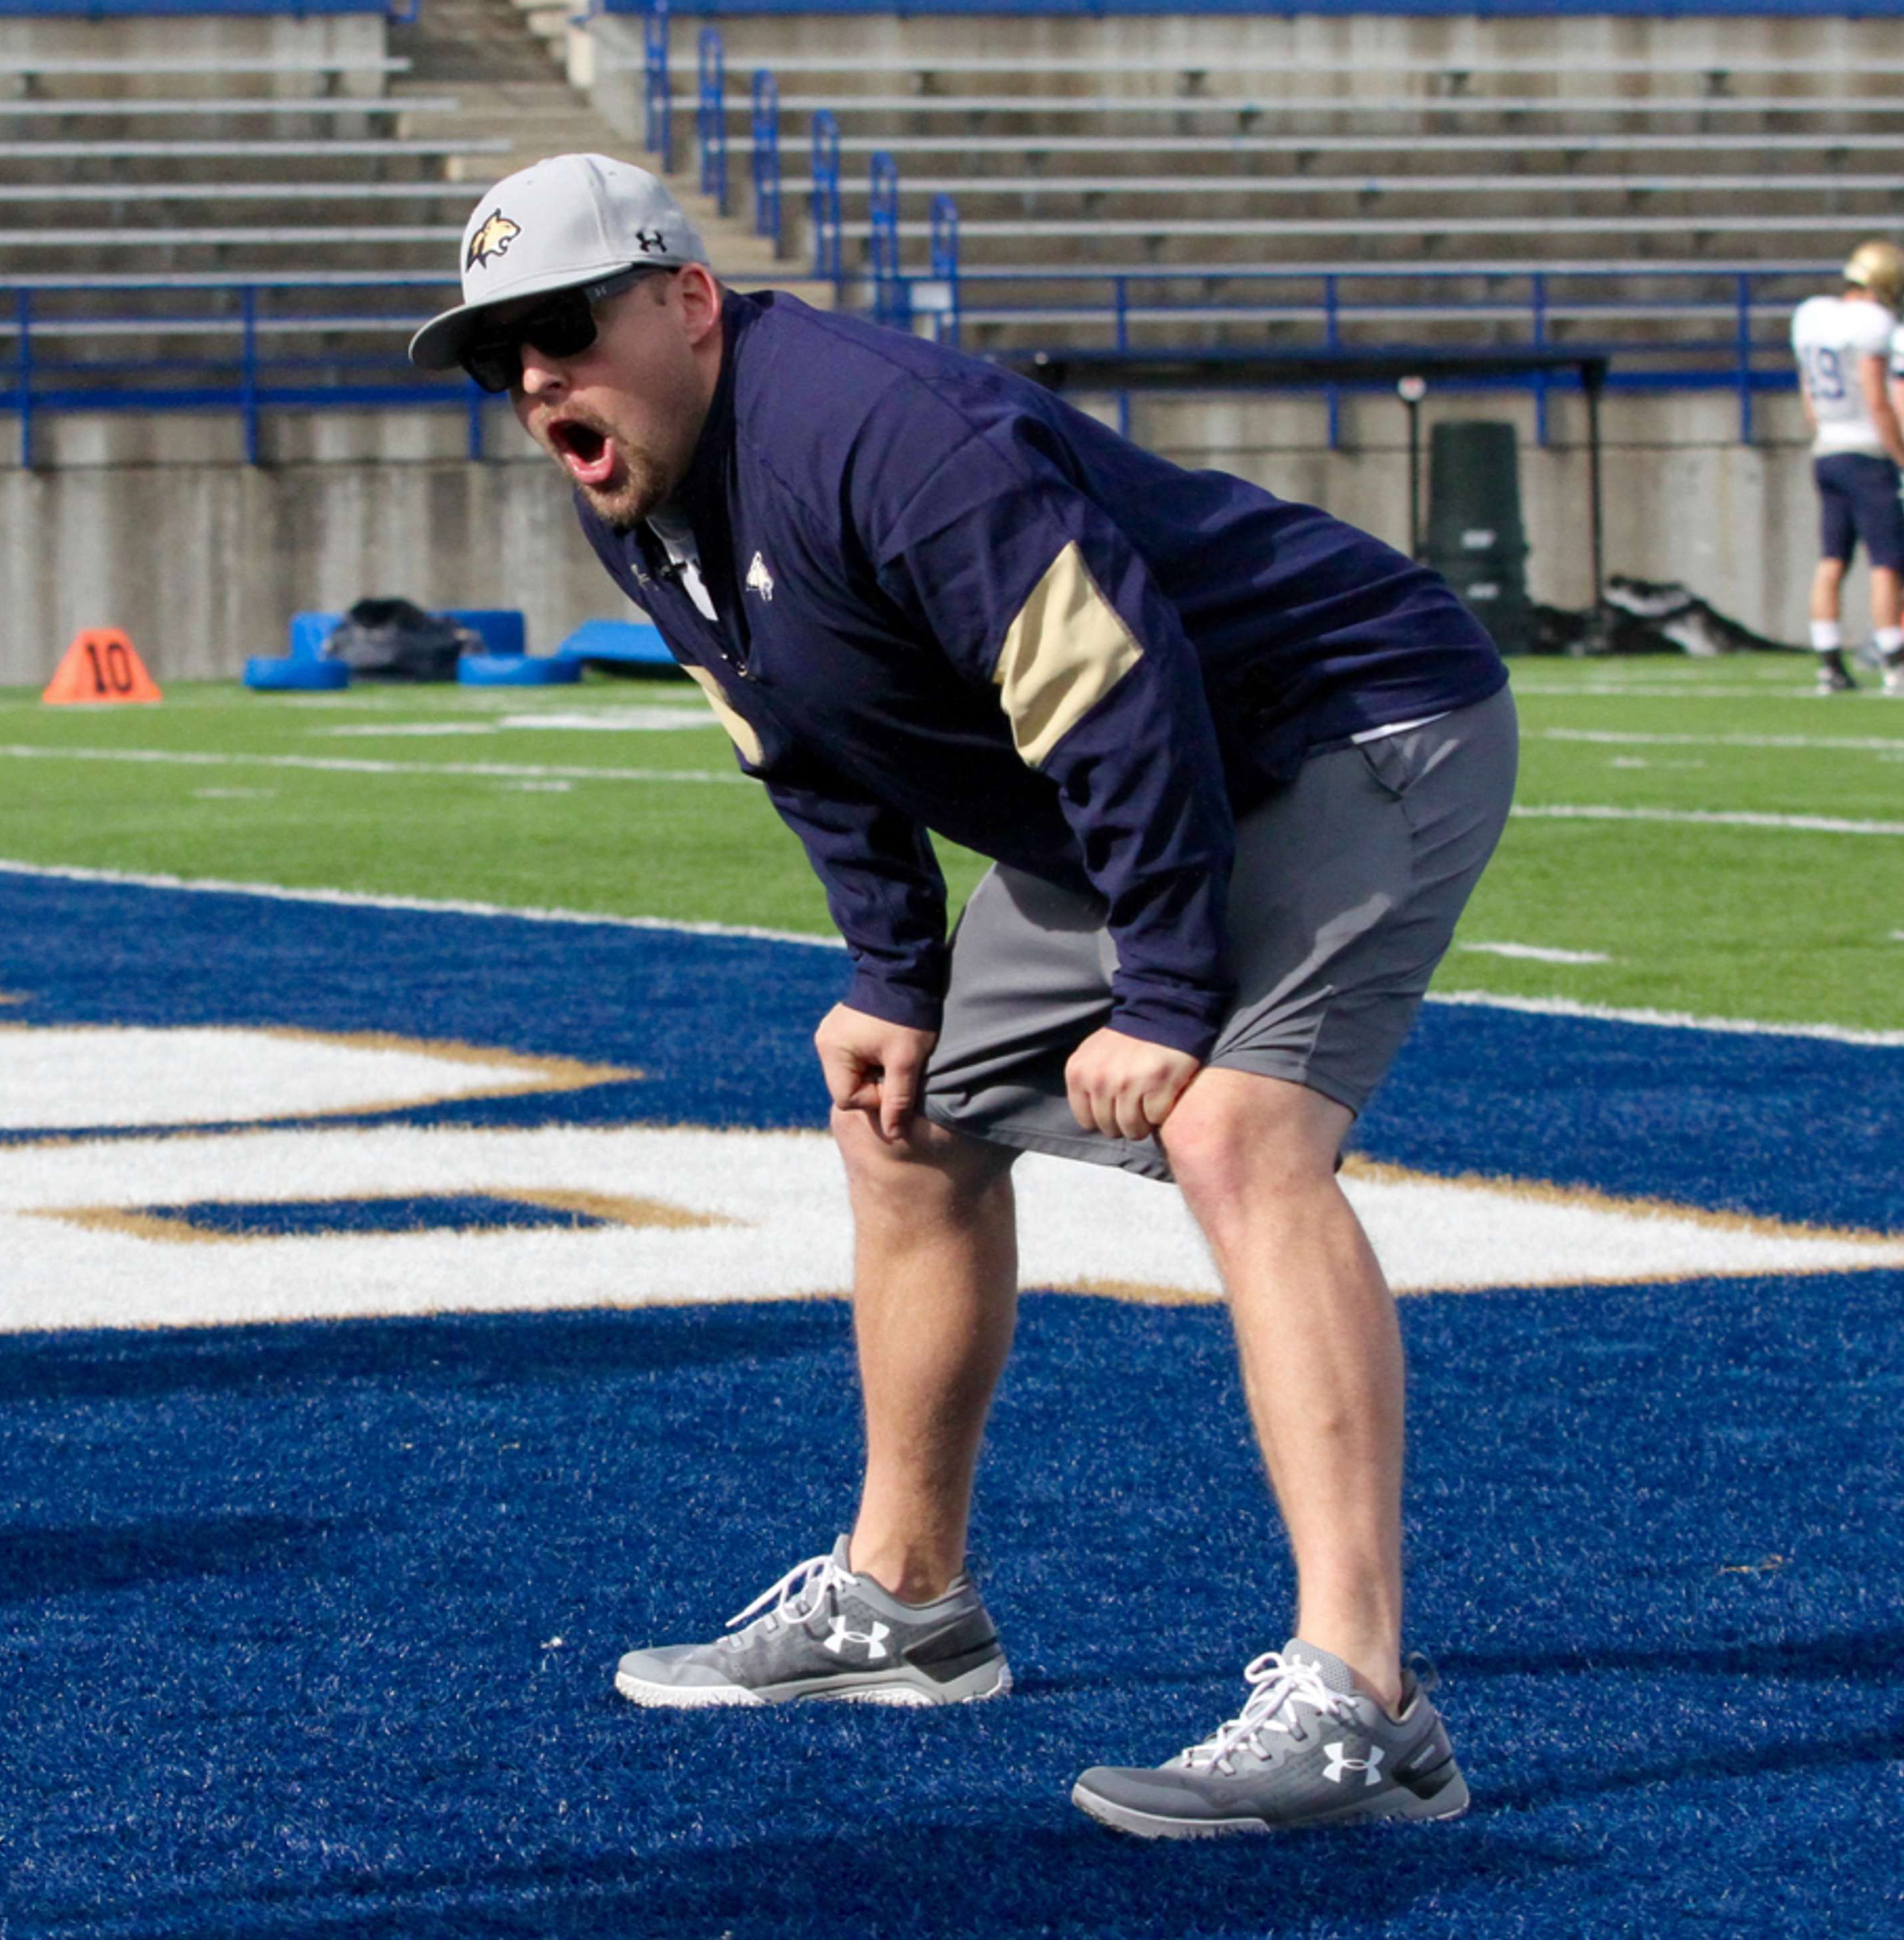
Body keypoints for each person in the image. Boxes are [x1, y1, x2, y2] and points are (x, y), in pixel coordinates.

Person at [411, 154, 1516, 1837]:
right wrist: (891, 973)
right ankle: (906, 1602)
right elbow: (802, 740)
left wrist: (1159, 981)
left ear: (687, 299)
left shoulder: (881, 431)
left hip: (1339, 727)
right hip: (1136, 790)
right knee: (899, 1119)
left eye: (561, 328)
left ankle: (1367, 1706)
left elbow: (1111, 684)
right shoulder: (634, 491)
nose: (536, 379)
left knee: (1234, 1132)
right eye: (501, 357)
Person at [1791, 240, 1904, 697]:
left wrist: (1823, 429)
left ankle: (1828, 663)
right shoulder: (1874, 323)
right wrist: (1900, 455)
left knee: (1831, 560)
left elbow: (1808, 393)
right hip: (1865, 451)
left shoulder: (1813, 314)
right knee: (1886, 564)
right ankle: (1895, 664)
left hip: (1828, 449)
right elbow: (1878, 400)